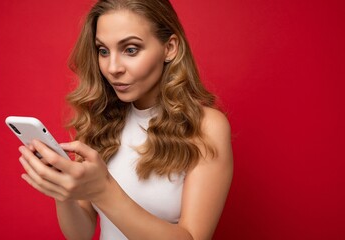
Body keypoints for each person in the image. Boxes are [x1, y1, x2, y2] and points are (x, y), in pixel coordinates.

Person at [18, 0, 233, 239]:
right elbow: (80, 234)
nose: (112, 68)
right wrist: (62, 191)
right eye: (103, 51)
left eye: (130, 49)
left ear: (170, 48)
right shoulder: (99, 121)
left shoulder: (206, 126)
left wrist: (103, 190)